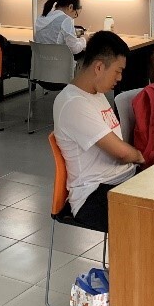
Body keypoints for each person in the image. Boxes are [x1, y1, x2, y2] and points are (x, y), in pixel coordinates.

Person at [52, 31, 144, 231]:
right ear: (99, 67)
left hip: (119, 181)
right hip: (93, 196)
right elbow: (122, 153)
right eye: (118, 71)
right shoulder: (74, 104)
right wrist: (140, 157)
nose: (120, 78)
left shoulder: (95, 93)